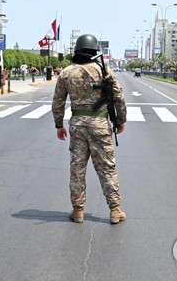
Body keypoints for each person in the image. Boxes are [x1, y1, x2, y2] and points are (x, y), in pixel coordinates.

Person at [51, 34, 127, 224]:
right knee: (107, 168)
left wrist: (58, 124)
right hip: (100, 126)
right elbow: (118, 97)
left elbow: (58, 101)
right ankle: (115, 210)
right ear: (94, 51)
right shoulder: (105, 71)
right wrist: (120, 120)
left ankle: (78, 211)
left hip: (77, 125)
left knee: (77, 168)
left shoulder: (66, 73)